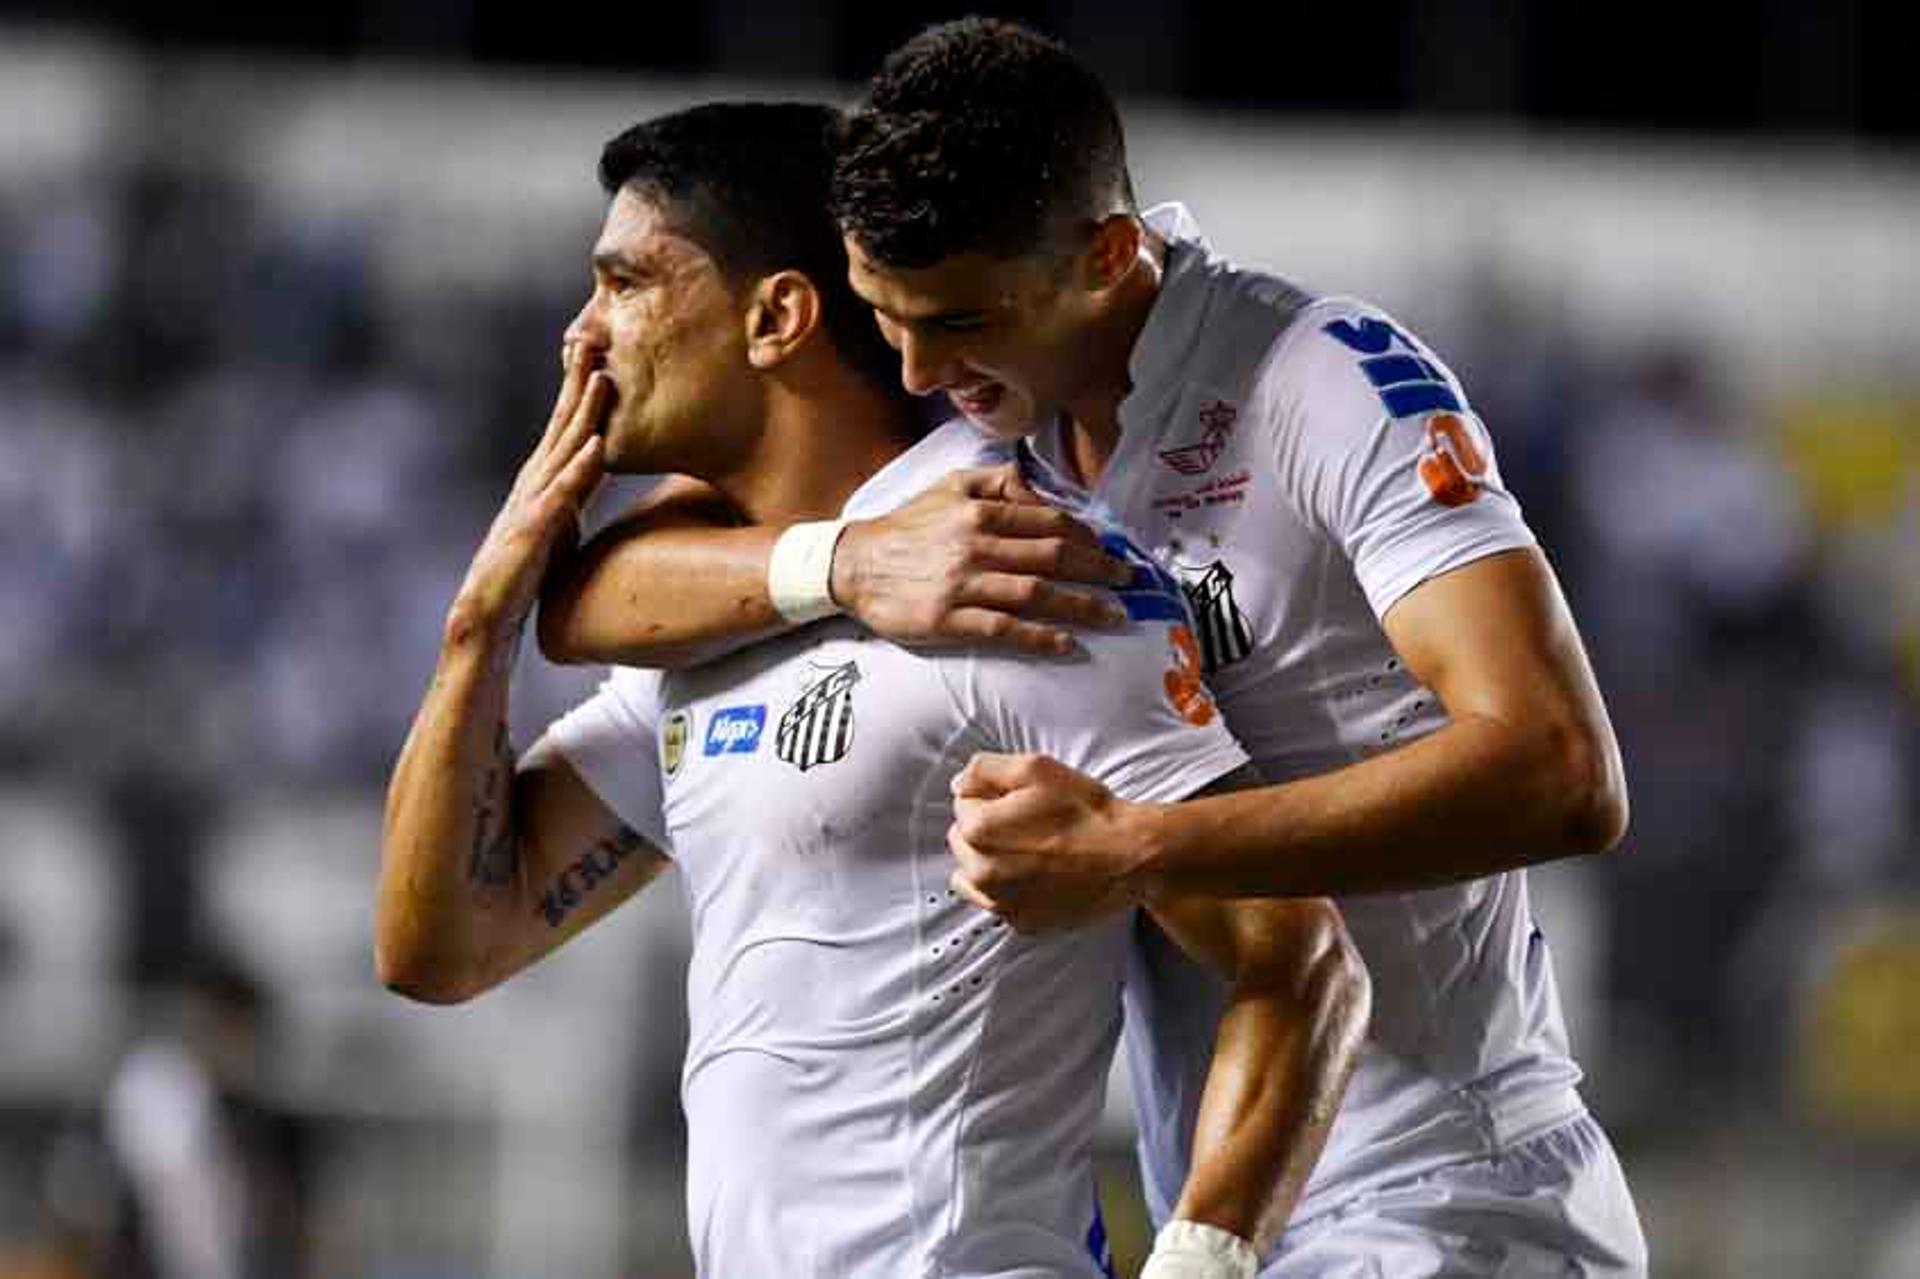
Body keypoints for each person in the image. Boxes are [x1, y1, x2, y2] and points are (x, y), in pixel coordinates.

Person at [536, 20, 1648, 1277]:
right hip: (1243, 1188)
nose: (917, 367)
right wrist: (835, 563)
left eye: (952, 321)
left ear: (1109, 255)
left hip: (1444, 1187)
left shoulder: (1321, 384)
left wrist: (1134, 846)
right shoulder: (1003, 402)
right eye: (883, 318)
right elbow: (590, 600)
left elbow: (1561, 769)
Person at [376, 102, 1368, 1279]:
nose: (580, 336)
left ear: (777, 316)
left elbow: (1299, 958)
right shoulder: (727, 623)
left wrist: (1204, 1263)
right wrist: (477, 627)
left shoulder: (1016, 568)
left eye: (625, 284)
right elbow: (441, 946)